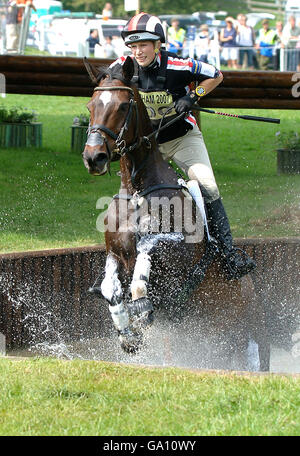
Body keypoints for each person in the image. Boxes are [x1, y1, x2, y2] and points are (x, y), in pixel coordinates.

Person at [109, 12, 256, 281]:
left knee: (207, 186)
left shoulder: (177, 65)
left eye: (143, 45)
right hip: (147, 145)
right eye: (133, 46)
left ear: (158, 45)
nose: (138, 52)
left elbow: (216, 74)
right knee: (128, 195)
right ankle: (116, 259)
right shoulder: (123, 66)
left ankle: (227, 252)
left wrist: (193, 96)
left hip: (181, 140)